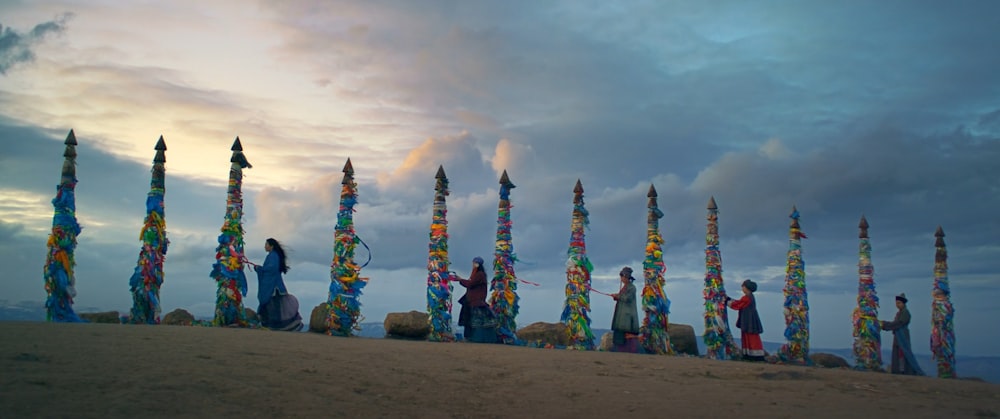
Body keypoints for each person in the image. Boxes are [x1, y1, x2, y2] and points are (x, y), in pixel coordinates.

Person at [251, 238, 303, 331]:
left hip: (274, 286)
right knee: (273, 307)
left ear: (271, 246)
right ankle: (268, 325)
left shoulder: (273, 256)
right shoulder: (273, 256)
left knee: (272, 306)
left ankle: (272, 325)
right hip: (276, 285)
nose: (265, 246)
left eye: (266, 244)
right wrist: (260, 269)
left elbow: (271, 269)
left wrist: (259, 269)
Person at [453, 256, 496, 343]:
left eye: (474, 263)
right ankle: (469, 337)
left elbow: (470, 284)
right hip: (472, 301)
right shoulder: (477, 274)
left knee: (475, 322)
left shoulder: (479, 274)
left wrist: (460, 280)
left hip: (476, 302)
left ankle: (474, 338)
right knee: (469, 321)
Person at [880, 293, 924, 375]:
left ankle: (905, 371)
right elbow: (895, 323)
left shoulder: (906, 313)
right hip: (897, 336)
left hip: (903, 335)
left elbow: (899, 323)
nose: (897, 305)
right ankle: (898, 370)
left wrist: (885, 325)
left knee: (904, 353)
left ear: (903, 303)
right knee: (897, 353)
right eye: (896, 303)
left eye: (899, 303)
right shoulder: (898, 313)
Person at [726, 279, 766, 361]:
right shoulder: (749, 297)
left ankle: (755, 355)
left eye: (743, 286)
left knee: (751, 336)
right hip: (749, 319)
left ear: (747, 288)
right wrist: (728, 299)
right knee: (748, 335)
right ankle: (749, 354)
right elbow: (739, 302)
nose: (742, 288)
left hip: (749, 320)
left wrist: (727, 301)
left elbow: (738, 305)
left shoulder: (746, 298)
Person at [611, 267, 639, 353]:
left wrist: (617, 296)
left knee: (626, 332)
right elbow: (622, 297)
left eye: (622, 277)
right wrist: (616, 296)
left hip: (627, 315)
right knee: (619, 333)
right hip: (621, 315)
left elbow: (627, 298)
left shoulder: (632, 288)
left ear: (626, 277)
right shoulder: (625, 287)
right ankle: (619, 350)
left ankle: (627, 350)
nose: (621, 279)